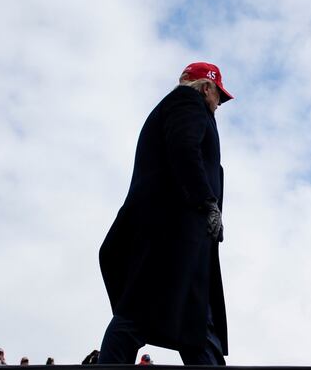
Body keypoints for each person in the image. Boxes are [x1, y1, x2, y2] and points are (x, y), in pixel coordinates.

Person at [98, 62, 233, 365]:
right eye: (218, 96)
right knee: (138, 315)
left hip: (184, 237)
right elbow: (184, 149)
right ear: (206, 87)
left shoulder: (186, 109)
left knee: (196, 322)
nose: (218, 104)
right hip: (172, 234)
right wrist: (206, 201)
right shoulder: (188, 102)